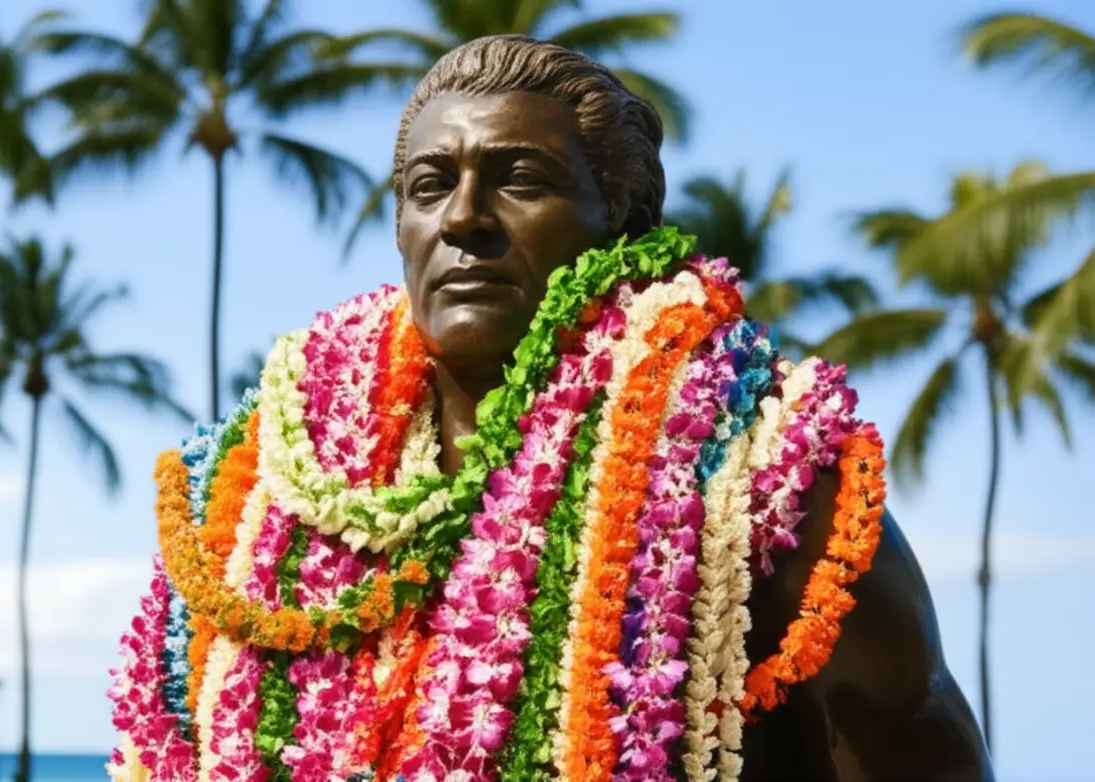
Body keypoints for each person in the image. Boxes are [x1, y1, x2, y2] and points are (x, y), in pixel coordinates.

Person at [107, 35, 994, 781]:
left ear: (622, 218)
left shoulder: (768, 486)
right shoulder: (251, 488)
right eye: (429, 186)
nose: (463, 218)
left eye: (520, 179)